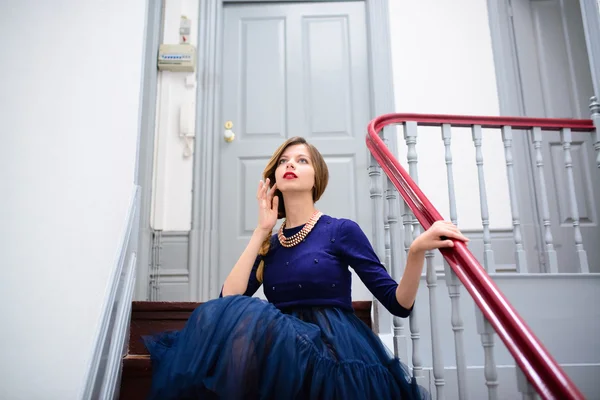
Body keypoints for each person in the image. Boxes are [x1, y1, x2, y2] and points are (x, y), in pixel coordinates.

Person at [143, 136, 469, 399]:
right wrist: (261, 230)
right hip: (281, 346)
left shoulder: (340, 230)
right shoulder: (270, 242)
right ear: (273, 180)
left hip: (332, 343)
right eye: (284, 161)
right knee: (228, 312)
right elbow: (228, 299)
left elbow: (398, 303)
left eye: (301, 160)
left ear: (317, 177)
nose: (290, 165)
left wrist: (415, 252)